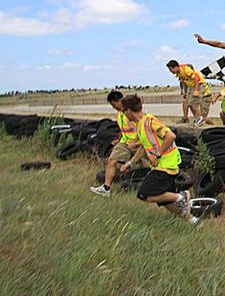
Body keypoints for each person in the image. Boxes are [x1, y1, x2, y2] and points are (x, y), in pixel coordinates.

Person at [121, 94, 199, 224]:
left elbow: (170, 136)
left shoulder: (149, 121)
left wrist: (158, 154)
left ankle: (182, 196)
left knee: (144, 194)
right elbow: (143, 148)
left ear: (129, 110)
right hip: (161, 165)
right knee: (165, 200)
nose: (124, 114)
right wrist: (130, 163)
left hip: (166, 164)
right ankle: (191, 220)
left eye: (124, 111)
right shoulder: (140, 125)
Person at [90, 91, 149, 197]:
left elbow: (142, 129)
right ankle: (106, 188)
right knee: (111, 161)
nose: (113, 108)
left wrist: (135, 142)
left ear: (119, 101)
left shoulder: (132, 113)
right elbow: (123, 129)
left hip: (140, 144)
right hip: (125, 143)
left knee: (149, 166)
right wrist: (119, 139)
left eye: (113, 105)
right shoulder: (119, 115)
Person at [166, 60, 214, 127]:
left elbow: (197, 78)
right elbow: (184, 82)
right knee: (188, 102)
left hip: (199, 84)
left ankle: (200, 119)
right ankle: (196, 118)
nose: (170, 71)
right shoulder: (179, 73)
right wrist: (184, 92)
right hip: (192, 86)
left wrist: (196, 90)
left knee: (193, 102)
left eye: (171, 69)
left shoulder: (186, 69)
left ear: (175, 67)